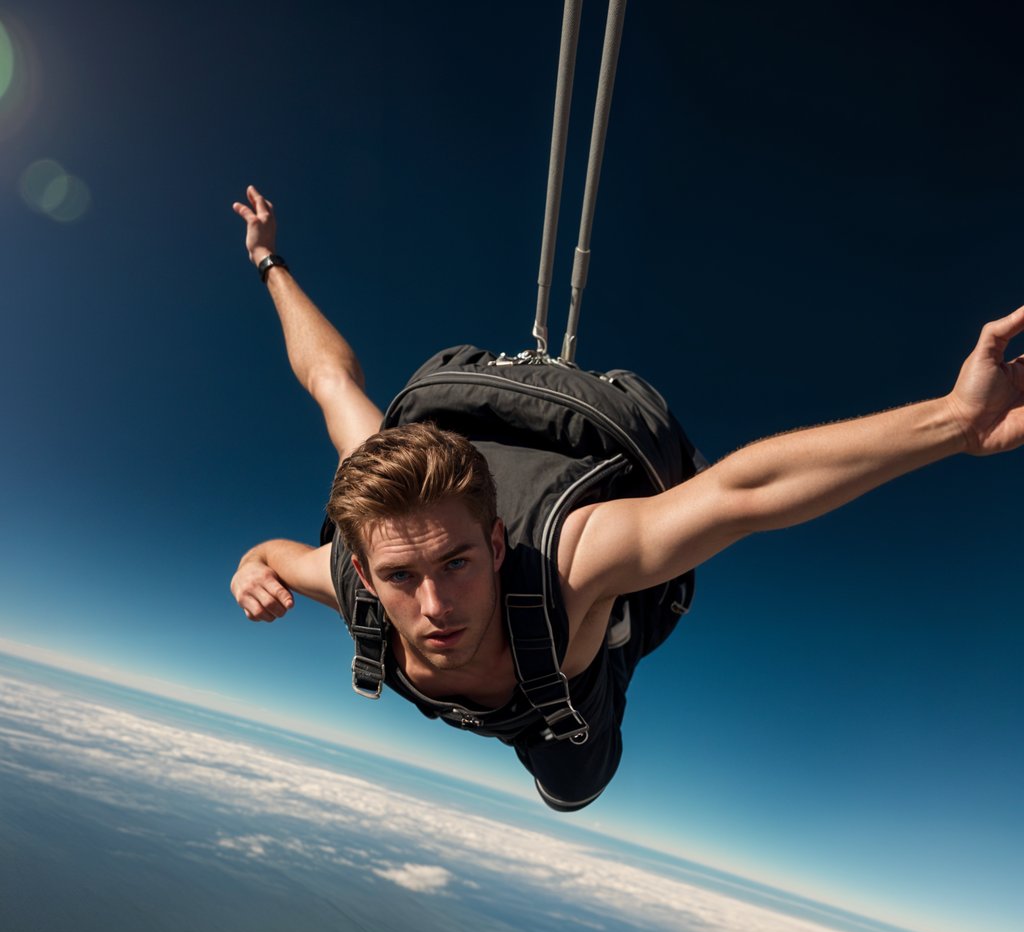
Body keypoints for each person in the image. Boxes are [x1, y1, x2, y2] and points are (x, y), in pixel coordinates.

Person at [230, 185, 1024, 810]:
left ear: (499, 543)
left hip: (560, 696)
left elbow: (742, 495)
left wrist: (953, 424)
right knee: (352, 426)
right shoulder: (345, 570)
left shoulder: (568, 564)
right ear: (365, 579)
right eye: (401, 576)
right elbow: (325, 386)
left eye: (459, 561)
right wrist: (269, 261)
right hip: (514, 640)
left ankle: (609, 637)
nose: (436, 602)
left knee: (573, 786)